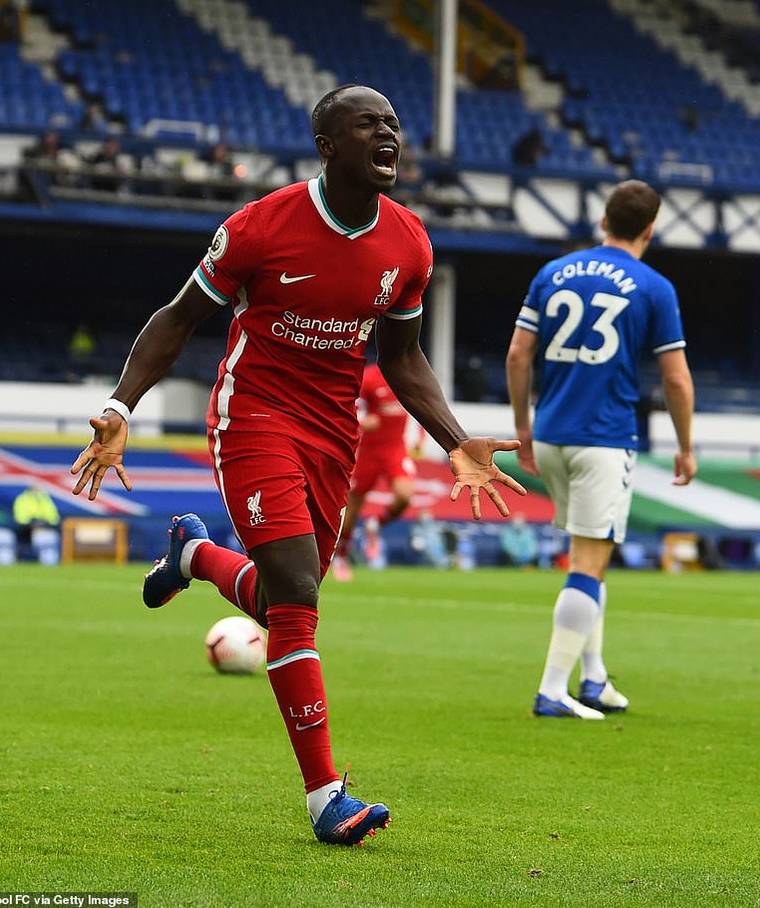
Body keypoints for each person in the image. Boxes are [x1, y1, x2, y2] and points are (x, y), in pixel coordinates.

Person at [70, 84, 525, 847]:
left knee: (290, 601)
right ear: (328, 145)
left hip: (331, 434)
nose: (390, 134)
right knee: (299, 589)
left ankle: (195, 554)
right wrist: (120, 409)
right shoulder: (259, 226)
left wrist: (455, 438)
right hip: (252, 414)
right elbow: (177, 320)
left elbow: (404, 357)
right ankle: (326, 798)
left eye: (393, 122)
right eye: (368, 124)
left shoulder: (409, 243)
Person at [505, 179, 696, 721]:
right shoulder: (654, 286)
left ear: (604, 219)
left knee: (593, 557)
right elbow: (676, 380)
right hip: (604, 440)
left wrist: (522, 425)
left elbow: (519, 354)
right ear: (650, 229)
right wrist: (685, 446)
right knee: (588, 562)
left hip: (549, 437)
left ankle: (593, 679)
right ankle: (551, 689)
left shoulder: (553, 272)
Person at [332, 361, 424, 581]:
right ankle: (342, 556)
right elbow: (347, 411)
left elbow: (420, 406)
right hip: (368, 451)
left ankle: (374, 525)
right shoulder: (369, 378)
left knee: (404, 496)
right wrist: (362, 423)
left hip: (395, 448)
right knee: (352, 507)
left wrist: (420, 437)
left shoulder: (408, 372)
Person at [13, 484, 61, 565]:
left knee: (48, 540)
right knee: (41, 538)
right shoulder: (22, 499)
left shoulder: (45, 499)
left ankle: (49, 561)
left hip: (45, 529)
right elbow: (20, 519)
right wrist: (32, 525)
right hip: (27, 531)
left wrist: (44, 524)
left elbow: (54, 518)